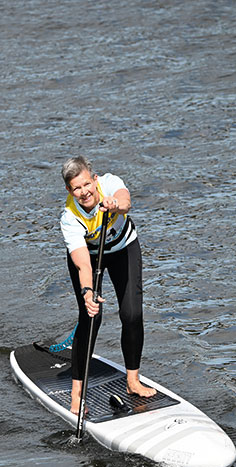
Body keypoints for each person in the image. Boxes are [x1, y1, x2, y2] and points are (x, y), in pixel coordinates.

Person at [59, 156, 156, 415]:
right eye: (76, 188)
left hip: (124, 248)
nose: (84, 192)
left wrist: (116, 205)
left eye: (86, 184)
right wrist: (88, 292)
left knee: (132, 314)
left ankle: (132, 381)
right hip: (91, 259)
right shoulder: (69, 218)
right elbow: (82, 264)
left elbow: (125, 202)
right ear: (69, 190)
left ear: (94, 179)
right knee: (92, 318)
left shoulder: (110, 183)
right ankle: (77, 395)